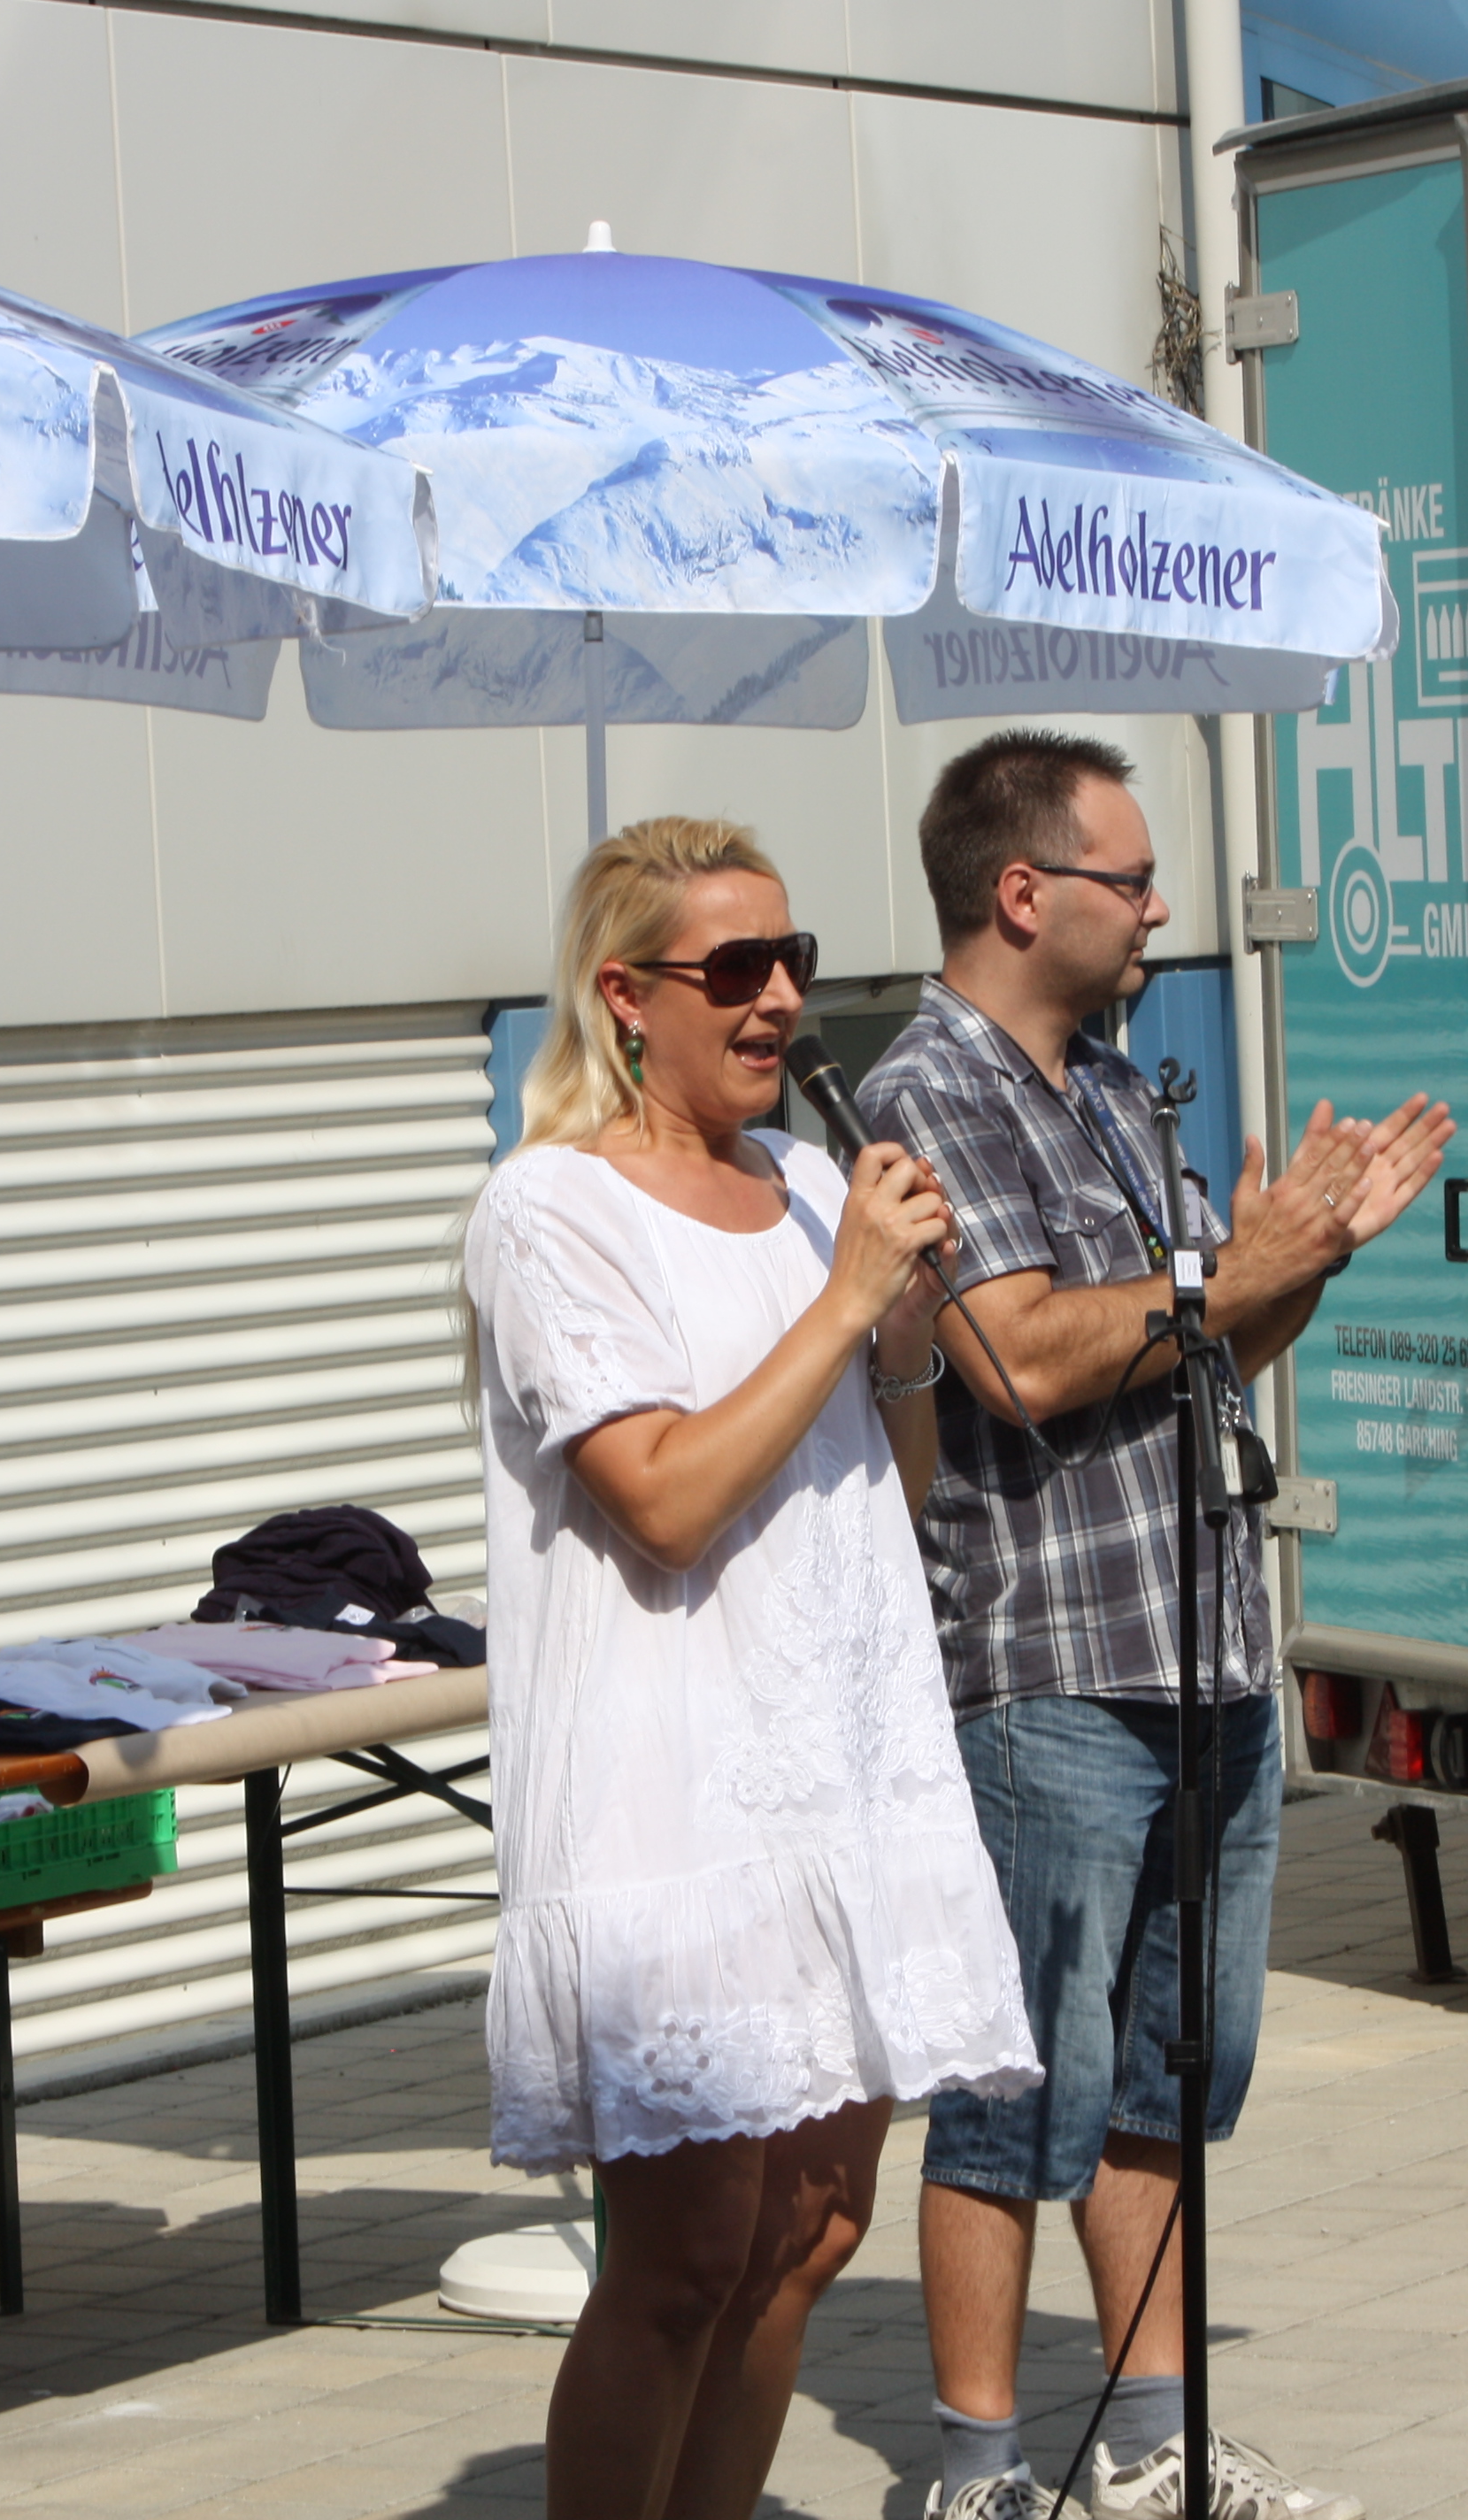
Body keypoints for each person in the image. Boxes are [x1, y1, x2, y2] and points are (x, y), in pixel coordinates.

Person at [861, 731, 1451, 2520]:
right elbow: (1023, 1358)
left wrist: (1303, 1257)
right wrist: (1228, 1269)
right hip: (1049, 1668)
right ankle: (978, 2472)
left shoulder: (1121, 1086)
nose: (1159, 905)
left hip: (1202, 1649)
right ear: (1021, 891)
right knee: (1012, 2089)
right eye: (1128, 878)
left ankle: (1151, 2443)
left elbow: (1206, 1340)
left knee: (1167, 2078)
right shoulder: (927, 1091)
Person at [463, 816, 1043, 2520]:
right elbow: (661, 1501)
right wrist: (843, 1301)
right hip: (674, 1794)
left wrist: (906, 1334)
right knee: (688, 2253)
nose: (782, 997)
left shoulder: (805, 1185)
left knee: (812, 2227)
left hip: (839, 1775)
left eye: (795, 960)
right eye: (736, 968)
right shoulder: (549, 1211)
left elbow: (887, 1492)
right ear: (624, 996)